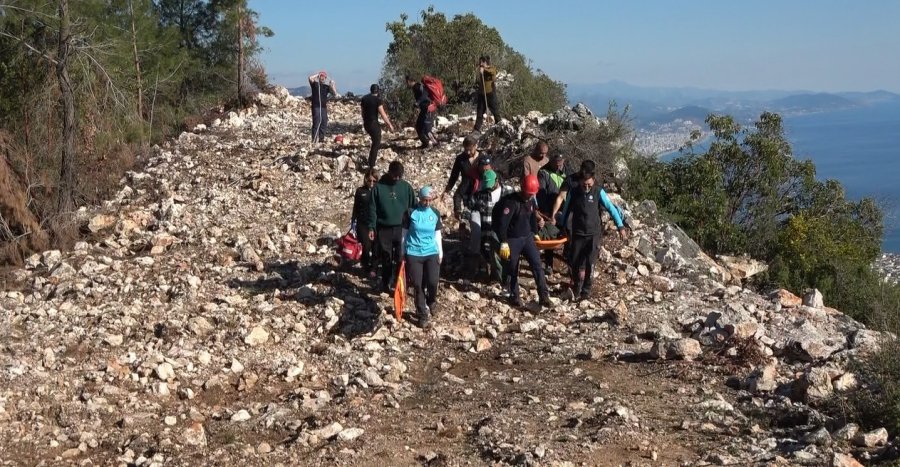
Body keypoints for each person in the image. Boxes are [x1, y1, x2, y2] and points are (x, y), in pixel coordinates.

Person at [561, 168, 629, 300]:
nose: (586, 188)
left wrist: (620, 226)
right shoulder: (574, 192)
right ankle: (576, 287)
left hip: (593, 234)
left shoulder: (598, 192)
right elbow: (566, 210)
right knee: (575, 262)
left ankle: (586, 292)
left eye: (589, 185)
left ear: (593, 181)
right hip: (578, 233)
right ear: (580, 181)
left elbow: (611, 209)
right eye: (584, 185)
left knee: (590, 263)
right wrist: (562, 226)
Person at [494, 174, 552, 308]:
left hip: (527, 238)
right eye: (528, 193)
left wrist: (536, 234)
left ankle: (544, 296)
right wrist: (503, 242)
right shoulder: (511, 203)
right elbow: (503, 224)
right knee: (513, 268)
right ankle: (514, 296)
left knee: (537, 266)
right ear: (522, 189)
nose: (530, 196)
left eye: (532, 194)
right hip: (513, 240)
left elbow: (532, 217)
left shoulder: (531, 201)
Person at [369, 161, 416, 292]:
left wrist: (413, 222)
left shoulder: (406, 187)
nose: (397, 179)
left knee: (401, 257)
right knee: (386, 257)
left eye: (399, 176)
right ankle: (385, 283)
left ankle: (399, 283)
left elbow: (414, 206)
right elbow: (372, 209)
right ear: (389, 173)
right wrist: (372, 227)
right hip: (384, 228)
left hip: (402, 228)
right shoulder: (378, 188)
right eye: (395, 176)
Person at [401, 186, 444, 328]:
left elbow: (438, 234)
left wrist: (440, 252)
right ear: (420, 198)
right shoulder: (411, 212)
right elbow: (404, 234)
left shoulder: (435, 213)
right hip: (413, 252)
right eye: (424, 200)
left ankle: (431, 300)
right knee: (418, 285)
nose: (427, 203)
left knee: (433, 281)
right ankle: (422, 313)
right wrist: (402, 252)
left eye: (429, 200)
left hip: (431, 251)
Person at [537, 152, 572, 274]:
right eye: (555, 164)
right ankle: (548, 264)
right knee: (550, 235)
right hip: (549, 209)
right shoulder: (543, 172)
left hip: (566, 209)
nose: (558, 166)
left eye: (560, 164)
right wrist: (547, 213)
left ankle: (569, 261)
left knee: (570, 233)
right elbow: (541, 193)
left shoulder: (568, 171)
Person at [470, 169, 504, 283]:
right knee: (487, 253)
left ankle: (503, 279)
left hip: (503, 230)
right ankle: (492, 276)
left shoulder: (508, 192)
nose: (488, 188)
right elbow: (471, 208)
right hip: (486, 230)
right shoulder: (480, 195)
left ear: (497, 181)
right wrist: (464, 221)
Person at [442, 135, 482, 223]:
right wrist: (447, 190)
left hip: (480, 189)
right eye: (465, 149)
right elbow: (454, 176)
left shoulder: (483, 158)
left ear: (476, 146)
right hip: (466, 188)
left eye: (470, 149)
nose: (467, 152)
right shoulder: (460, 159)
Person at [351, 169, 379, 278]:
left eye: (374, 181)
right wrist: (353, 221)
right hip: (362, 223)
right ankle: (365, 266)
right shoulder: (360, 191)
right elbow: (356, 207)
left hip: (376, 222)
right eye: (369, 180)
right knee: (366, 246)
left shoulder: (378, 191)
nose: (371, 183)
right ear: (365, 180)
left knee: (376, 246)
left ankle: (374, 268)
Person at [360, 84, 395, 168]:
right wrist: (389, 125)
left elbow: (362, 112)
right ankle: (371, 164)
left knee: (374, 141)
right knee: (376, 143)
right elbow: (383, 114)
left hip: (366, 123)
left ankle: (370, 161)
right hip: (373, 123)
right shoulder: (377, 100)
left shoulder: (364, 98)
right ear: (378, 91)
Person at [406, 75, 438, 149]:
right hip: (424, 109)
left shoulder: (418, 86)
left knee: (427, 129)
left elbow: (424, 95)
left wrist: (418, 102)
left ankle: (435, 143)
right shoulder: (416, 88)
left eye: (406, 82)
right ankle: (425, 143)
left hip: (429, 109)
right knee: (418, 126)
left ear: (409, 81)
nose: (406, 84)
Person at [308, 71, 338, 143]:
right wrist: (317, 75)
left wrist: (332, 84)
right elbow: (310, 78)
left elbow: (334, 93)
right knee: (316, 123)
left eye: (324, 77)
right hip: (316, 107)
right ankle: (314, 140)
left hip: (323, 107)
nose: (323, 78)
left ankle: (321, 140)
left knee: (324, 123)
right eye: (321, 76)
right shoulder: (315, 84)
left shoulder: (326, 87)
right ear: (319, 77)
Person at [474, 55, 502, 132]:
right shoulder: (481, 69)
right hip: (481, 94)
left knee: (495, 112)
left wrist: (484, 69)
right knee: (479, 113)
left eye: (481, 62)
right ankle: (476, 129)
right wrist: (481, 70)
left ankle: (499, 128)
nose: (480, 63)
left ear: (484, 62)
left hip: (490, 94)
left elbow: (493, 73)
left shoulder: (492, 69)